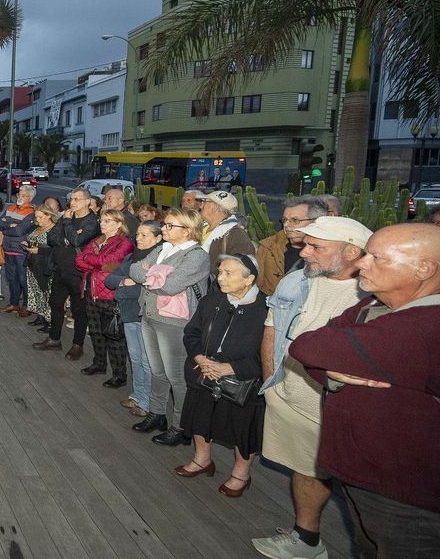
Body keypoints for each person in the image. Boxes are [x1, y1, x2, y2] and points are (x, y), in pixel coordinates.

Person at [288, 223, 440, 558]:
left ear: (423, 268)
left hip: (406, 499)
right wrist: (333, 370)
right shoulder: (372, 305)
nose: (361, 263)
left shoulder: (423, 326)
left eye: (376, 258)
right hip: (365, 478)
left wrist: (328, 357)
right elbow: (318, 345)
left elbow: (307, 346)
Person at [251, 215, 371, 559]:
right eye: (304, 244)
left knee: (362, 496)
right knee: (304, 469)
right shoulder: (299, 279)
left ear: (351, 251)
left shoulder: (374, 294)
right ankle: (306, 539)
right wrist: (272, 381)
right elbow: (272, 326)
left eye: (316, 246)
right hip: (291, 398)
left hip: (342, 411)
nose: (304, 253)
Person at [176, 254, 267, 498]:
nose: (220, 278)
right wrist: (199, 358)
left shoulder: (267, 308)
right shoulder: (212, 301)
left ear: (249, 279)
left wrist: (230, 368)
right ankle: (202, 459)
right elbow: (191, 333)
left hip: (243, 381)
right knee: (200, 416)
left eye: (229, 273)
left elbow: (269, 355)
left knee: (241, 427)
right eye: (220, 272)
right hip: (205, 372)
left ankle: (241, 473)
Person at [127, 208, 210, 445]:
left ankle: (180, 426)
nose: (164, 229)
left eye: (170, 226)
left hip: (174, 322)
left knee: (177, 377)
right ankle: (157, 413)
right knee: (157, 370)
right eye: (165, 225)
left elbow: (170, 286)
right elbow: (134, 267)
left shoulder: (195, 256)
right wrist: (155, 274)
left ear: (188, 229)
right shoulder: (163, 249)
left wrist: (149, 275)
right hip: (150, 315)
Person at [106, 220, 162, 418]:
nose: (138, 238)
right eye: (137, 234)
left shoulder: (160, 260)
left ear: (158, 238)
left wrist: (125, 288)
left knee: (148, 362)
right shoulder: (131, 257)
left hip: (146, 316)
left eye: (144, 235)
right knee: (135, 358)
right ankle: (137, 395)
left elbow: (146, 288)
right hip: (129, 314)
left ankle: (148, 403)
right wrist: (124, 281)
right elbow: (109, 280)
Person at [35, 188, 100, 360]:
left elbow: (77, 241)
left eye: (78, 199)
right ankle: (54, 339)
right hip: (59, 269)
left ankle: (77, 345)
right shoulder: (66, 218)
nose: (73, 202)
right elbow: (51, 238)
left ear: (88, 201)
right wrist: (67, 237)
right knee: (55, 304)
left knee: (79, 310)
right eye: (72, 199)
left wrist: (67, 226)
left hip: (78, 273)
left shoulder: (92, 221)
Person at [75, 209, 135, 383]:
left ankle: (119, 374)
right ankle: (99, 364)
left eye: (108, 221)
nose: (102, 223)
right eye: (102, 220)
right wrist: (96, 263)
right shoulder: (97, 240)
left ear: (119, 223)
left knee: (113, 335)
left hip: (109, 294)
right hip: (91, 291)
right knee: (95, 332)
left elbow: (108, 263)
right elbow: (79, 261)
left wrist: (93, 260)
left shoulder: (124, 243)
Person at [255, 195, 328, 296]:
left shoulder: (330, 252)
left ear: (316, 221)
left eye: (295, 220)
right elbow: (257, 286)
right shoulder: (267, 247)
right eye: (284, 220)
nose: (286, 225)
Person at [0, 185, 37, 317]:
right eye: (19, 194)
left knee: (23, 280)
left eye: (23, 195)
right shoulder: (11, 208)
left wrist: (8, 226)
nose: (19, 197)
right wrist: (10, 225)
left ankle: (26, 306)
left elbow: (19, 231)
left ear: (30, 198)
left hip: (21, 251)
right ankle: (14, 303)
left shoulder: (32, 213)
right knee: (11, 279)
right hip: (8, 249)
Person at [198, 190, 255, 277]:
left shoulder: (236, 235)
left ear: (216, 207)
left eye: (204, 202)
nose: (200, 205)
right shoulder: (200, 227)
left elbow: (242, 269)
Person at [24, 207, 59, 331]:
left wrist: (40, 250)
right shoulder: (37, 227)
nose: (37, 219)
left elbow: (58, 249)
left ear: (49, 215)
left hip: (46, 265)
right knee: (36, 291)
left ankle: (50, 321)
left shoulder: (55, 229)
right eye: (36, 217)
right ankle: (41, 316)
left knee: (47, 293)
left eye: (41, 217)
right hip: (33, 264)